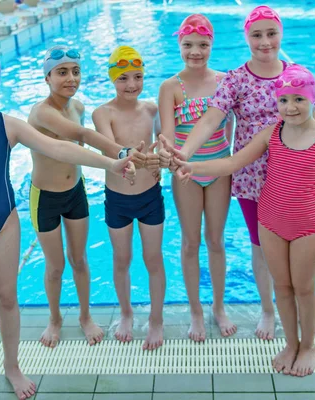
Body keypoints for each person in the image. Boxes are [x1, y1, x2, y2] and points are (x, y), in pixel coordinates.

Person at [0, 47, 135, 400]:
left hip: (4, 224)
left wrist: (110, 163)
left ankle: (12, 367)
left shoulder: (9, 125)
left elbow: (60, 148)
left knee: (6, 299)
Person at [168, 64, 315, 376]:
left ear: (313, 99)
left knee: (305, 289)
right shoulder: (270, 134)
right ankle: (291, 343)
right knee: (283, 287)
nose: (291, 107)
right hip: (271, 222)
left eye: (299, 100)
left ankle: (308, 347)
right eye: (284, 100)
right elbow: (234, 161)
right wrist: (193, 167)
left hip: (307, 227)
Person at [167, 5, 315, 340]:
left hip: (297, 176)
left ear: (281, 34)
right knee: (260, 247)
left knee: (303, 243)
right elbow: (212, 118)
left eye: (271, 33)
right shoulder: (236, 79)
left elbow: (313, 123)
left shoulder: (297, 74)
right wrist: (185, 151)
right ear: (246, 38)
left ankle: (310, 308)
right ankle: (269, 311)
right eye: (257, 35)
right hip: (252, 176)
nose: (265, 42)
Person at [27, 45, 136, 348]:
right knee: (55, 266)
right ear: (47, 77)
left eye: (75, 71)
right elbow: (84, 137)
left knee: (80, 259)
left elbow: (83, 148)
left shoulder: (78, 107)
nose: (71, 78)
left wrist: (125, 159)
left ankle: (85, 316)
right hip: (45, 198)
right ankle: (54, 318)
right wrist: (121, 154)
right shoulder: (41, 112)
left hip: (75, 192)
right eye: (62, 72)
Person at [157, 14, 236, 342]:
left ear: (211, 45)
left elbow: (230, 131)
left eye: (202, 45)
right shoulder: (170, 87)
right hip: (185, 174)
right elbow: (169, 135)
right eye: (188, 45)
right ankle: (195, 311)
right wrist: (176, 165)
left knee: (216, 241)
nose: (195, 51)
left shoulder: (225, 82)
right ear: (179, 45)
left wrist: (228, 163)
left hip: (217, 172)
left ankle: (218, 306)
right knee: (191, 242)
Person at [92, 45, 166, 351]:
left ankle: (157, 320)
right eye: (123, 78)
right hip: (118, 200)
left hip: (150, 197)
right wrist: (130, 159)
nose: (131, 84)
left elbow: (163, 144)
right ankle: (126, 314)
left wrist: (159, 159)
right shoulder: (102, 113)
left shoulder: (151, 109)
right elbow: (109, 148)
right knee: (122, 259)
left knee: (153, 259)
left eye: (137, 76)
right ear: (112, 79)